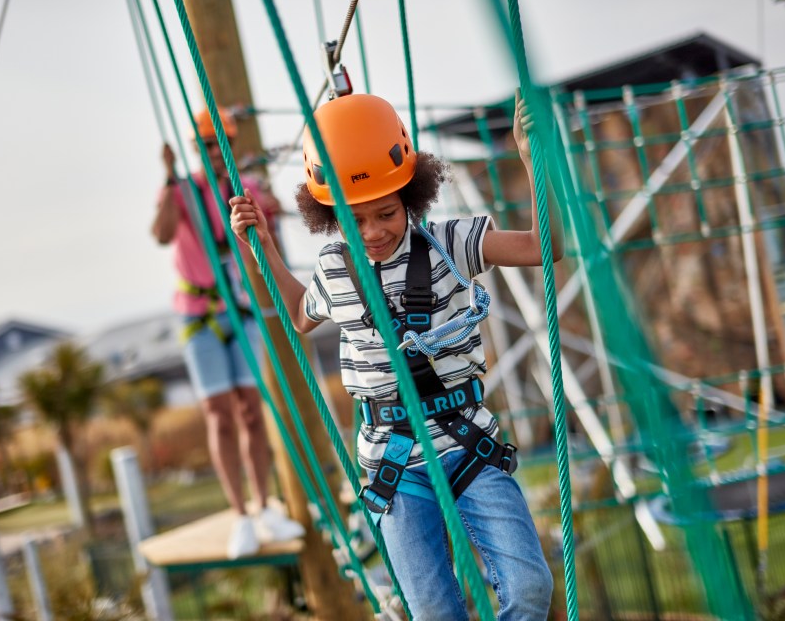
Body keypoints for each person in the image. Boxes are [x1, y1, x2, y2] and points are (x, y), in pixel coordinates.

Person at [230, 93, 558, 620]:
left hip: (466, 437)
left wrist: (530, 158)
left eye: (386, 213)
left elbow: (546, 246)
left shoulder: (452, 243)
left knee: (529, 586)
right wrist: (262, 246)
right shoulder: (334, 268)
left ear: (410, 196)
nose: (374, 231)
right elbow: (297, 314)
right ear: (330, 217)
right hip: (392, 458)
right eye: (355, 220)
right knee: (431, 609)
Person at [152, 106, 303, 559]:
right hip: (199, 312)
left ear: (231, 148)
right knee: (218, 412)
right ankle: (240, 515)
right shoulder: (181, 192)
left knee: (251, 413)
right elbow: (161, 234)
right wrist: (167, 178)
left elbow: (268, 227)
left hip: (239, 309)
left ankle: (263, 506)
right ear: (197, 150)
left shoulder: (244, 189)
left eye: (221, 145)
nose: (215, 153)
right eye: (206, 146)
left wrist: (269, 206)